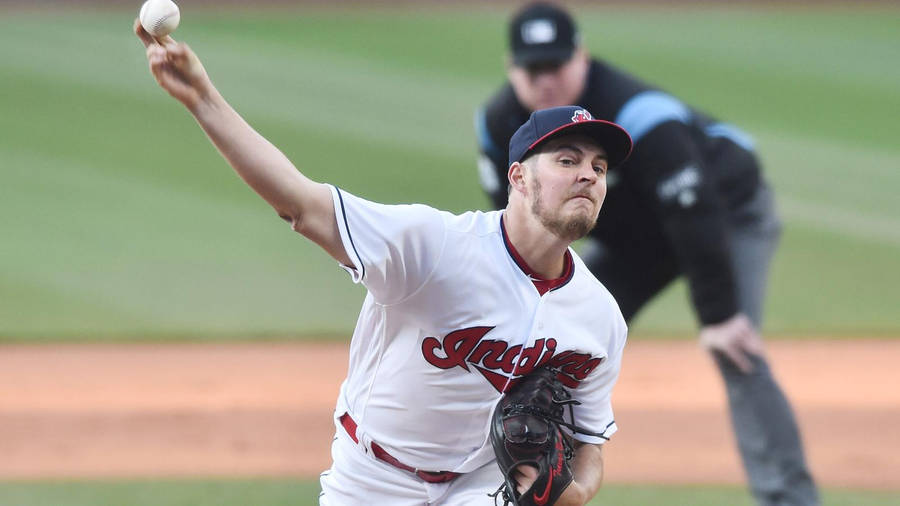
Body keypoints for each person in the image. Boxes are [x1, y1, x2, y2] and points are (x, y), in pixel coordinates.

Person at [135, 18, 634, 506]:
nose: (588, 176)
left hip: (482, 485)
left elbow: (590, 440)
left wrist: (574, 492)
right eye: (567, 161)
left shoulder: (598, 316)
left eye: (599, 167)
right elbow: (301, 205)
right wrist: (204, 100)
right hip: (372, 476)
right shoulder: (433, 245)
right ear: (519, 178)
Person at [475, 3, 819, 505]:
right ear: (511, 68)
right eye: (533, 69)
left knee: (736, 349)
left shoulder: (637, 110)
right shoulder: (501, 122)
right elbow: (514, 219)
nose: (546, 80)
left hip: (725, 215)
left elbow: (693, 205)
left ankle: (789, 499)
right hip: (637, 239)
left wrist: (719, 314)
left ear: (583, 58)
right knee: (543, 342)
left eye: (557, 65)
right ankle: (527, 490)